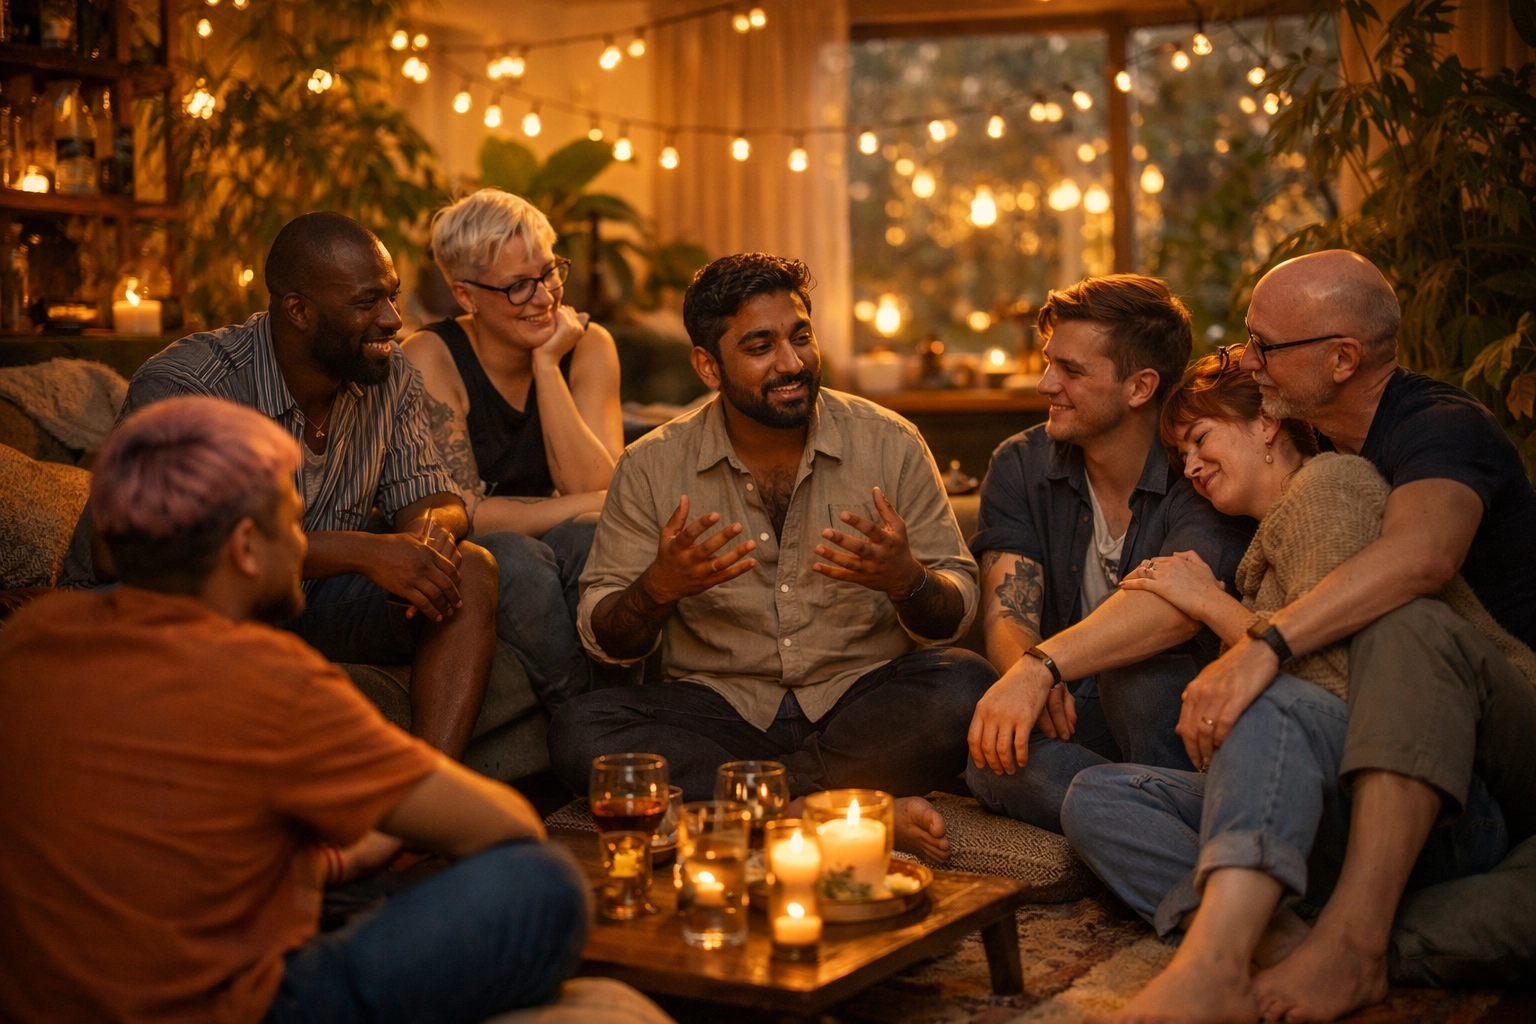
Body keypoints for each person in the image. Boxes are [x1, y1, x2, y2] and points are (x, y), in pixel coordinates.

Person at [0, 397, 608, 1024]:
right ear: (244, 547)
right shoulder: (267, 677)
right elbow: (506, 828)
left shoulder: (30, 636)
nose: (303, 546)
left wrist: (327, 864)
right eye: (292, 524)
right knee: (542, 884)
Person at [1086, 249, 1536, 1023]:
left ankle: (1289, 949)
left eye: (1265, 346)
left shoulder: (1427, 430)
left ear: (1341, 357)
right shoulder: (1318, 461)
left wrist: (1254, 643)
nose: (1248, 361)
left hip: (1491, 745)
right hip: (1377, 758)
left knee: (1387, 636)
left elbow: (1420, 562)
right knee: (1101, 797)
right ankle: (1291, 936)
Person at [547, 253, 995, 861]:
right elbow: (607, 637)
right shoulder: (652, 465)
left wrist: (907, 580)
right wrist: (657, 588)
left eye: (800, 336)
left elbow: (957, 605)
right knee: (580, 731)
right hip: (721, 711)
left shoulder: (889, 442)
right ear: (708, 365)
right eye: (760, 346)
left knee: (963, 683)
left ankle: (761, 807)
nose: (792, 363)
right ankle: (829, 808)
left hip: (858, 698)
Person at [64, 211, 498, 761]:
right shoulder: (191, 384)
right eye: (367, 303)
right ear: (298, 311)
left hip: (303, 594)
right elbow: (121, 551)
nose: (392, 320)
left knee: (472, 570)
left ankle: (422, 801)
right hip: (175, 600)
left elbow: (435, 498)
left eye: (392, 296)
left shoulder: (389, 374)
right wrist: (365, 551)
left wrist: (426, 541)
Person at [963, 275, 1255, 832]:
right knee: (990, 763)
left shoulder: (1198, 470)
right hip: (1070, 711)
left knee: (1140, 682)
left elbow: (1175, 610)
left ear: (1140, 387)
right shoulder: (1019, 464)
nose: (1046, 384)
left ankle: (1128, 825)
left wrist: (1043, 665)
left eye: (1071, 371)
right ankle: (1150, 827)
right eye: (1050, 363)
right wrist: (1026, 681)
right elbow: (1008, 608)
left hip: (1176, 716)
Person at [403, 189, 627, 710]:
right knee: (516, 558)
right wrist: (589, 502)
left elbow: (598, 488)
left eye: (550, 273)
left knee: (591, 536)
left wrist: (548, 367)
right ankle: (590, 720)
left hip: (558, 531)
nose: (545, 298)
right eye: (519, 286)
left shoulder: (589, 346)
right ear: (465, 296)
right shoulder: (429, 357)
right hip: (480, 549)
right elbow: (466, 517)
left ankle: (619, 718)